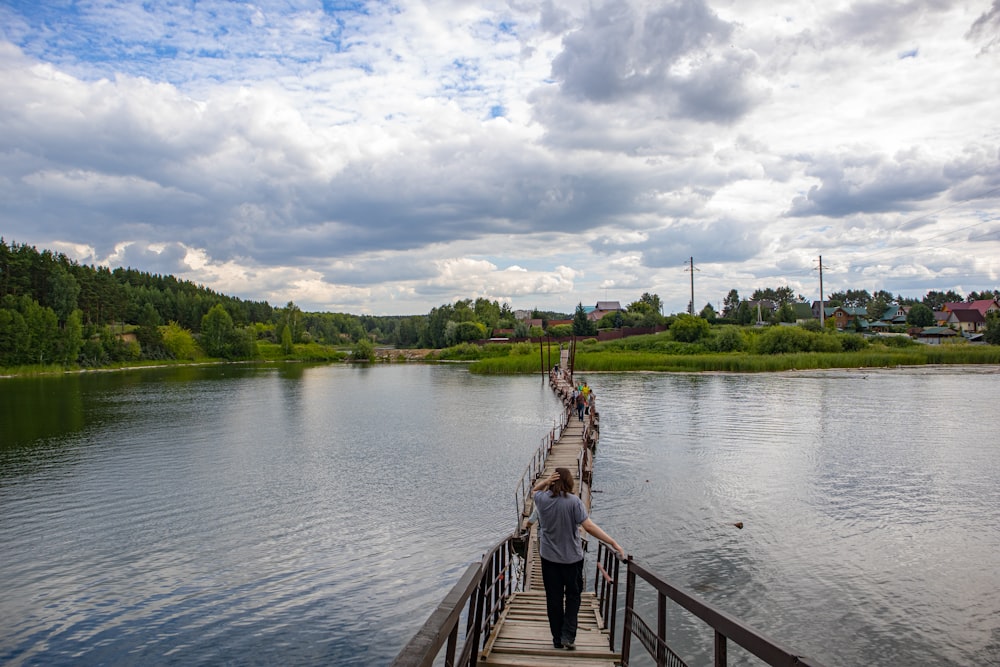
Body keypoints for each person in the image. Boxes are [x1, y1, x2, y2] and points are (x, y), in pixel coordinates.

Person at [532, 468, 625, 651]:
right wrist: (613, 542)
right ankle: (568, 634)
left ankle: (557, 639)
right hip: (571, 560)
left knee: (554, 598)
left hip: (549, 559)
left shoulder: (542, 500)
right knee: (573, 596)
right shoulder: (574, 502)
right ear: (569, 483)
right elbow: (588, 527)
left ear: (553, 481)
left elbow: (534, 490)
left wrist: (545, 481)